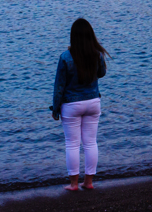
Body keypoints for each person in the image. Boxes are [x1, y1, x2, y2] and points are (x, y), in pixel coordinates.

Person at [50, 18, 109, 191]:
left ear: (73, 37)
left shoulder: (65, 57)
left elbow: (59, 86)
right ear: (91, 35)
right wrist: (98, 54)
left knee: (72, 144)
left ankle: (74, 184)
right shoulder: (96, 54)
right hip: (93, 102)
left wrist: (55, 108)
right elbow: (102, 73)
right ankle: (89, 182)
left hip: (72, 105)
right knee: (91, 142)